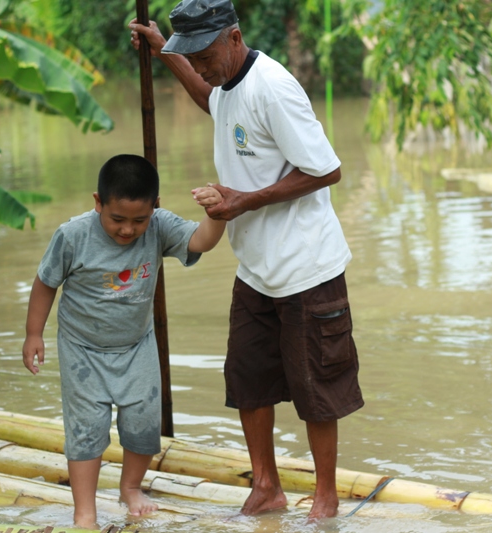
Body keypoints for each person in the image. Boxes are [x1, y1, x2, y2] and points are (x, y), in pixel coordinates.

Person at [130, 0, 364, 520]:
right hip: (256, 268)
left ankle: (325, 498)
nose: (204, 64)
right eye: (193, 54)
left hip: (307, 267)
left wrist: (242, 200)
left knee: (316, 386)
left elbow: (327, 170)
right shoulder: (229, 85)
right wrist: (164, 52)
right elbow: (210, 98)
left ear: (234, 38)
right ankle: (266, 487)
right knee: (247, 377)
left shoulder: (273, 88)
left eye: (206, 53)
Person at [22, 154, 225, 528]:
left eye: (139, 220)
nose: (128, 230)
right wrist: (33, 334)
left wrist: (218, 213)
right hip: (81, 347)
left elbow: (201, 241)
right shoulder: (73, 235)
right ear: (97, 202)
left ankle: (130, 487)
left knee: (144, 422)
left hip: (136, 345)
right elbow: (46, 282)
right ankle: (85, 510)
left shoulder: (159, 226)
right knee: (86, 428)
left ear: (155, 208)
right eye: (117, 219)